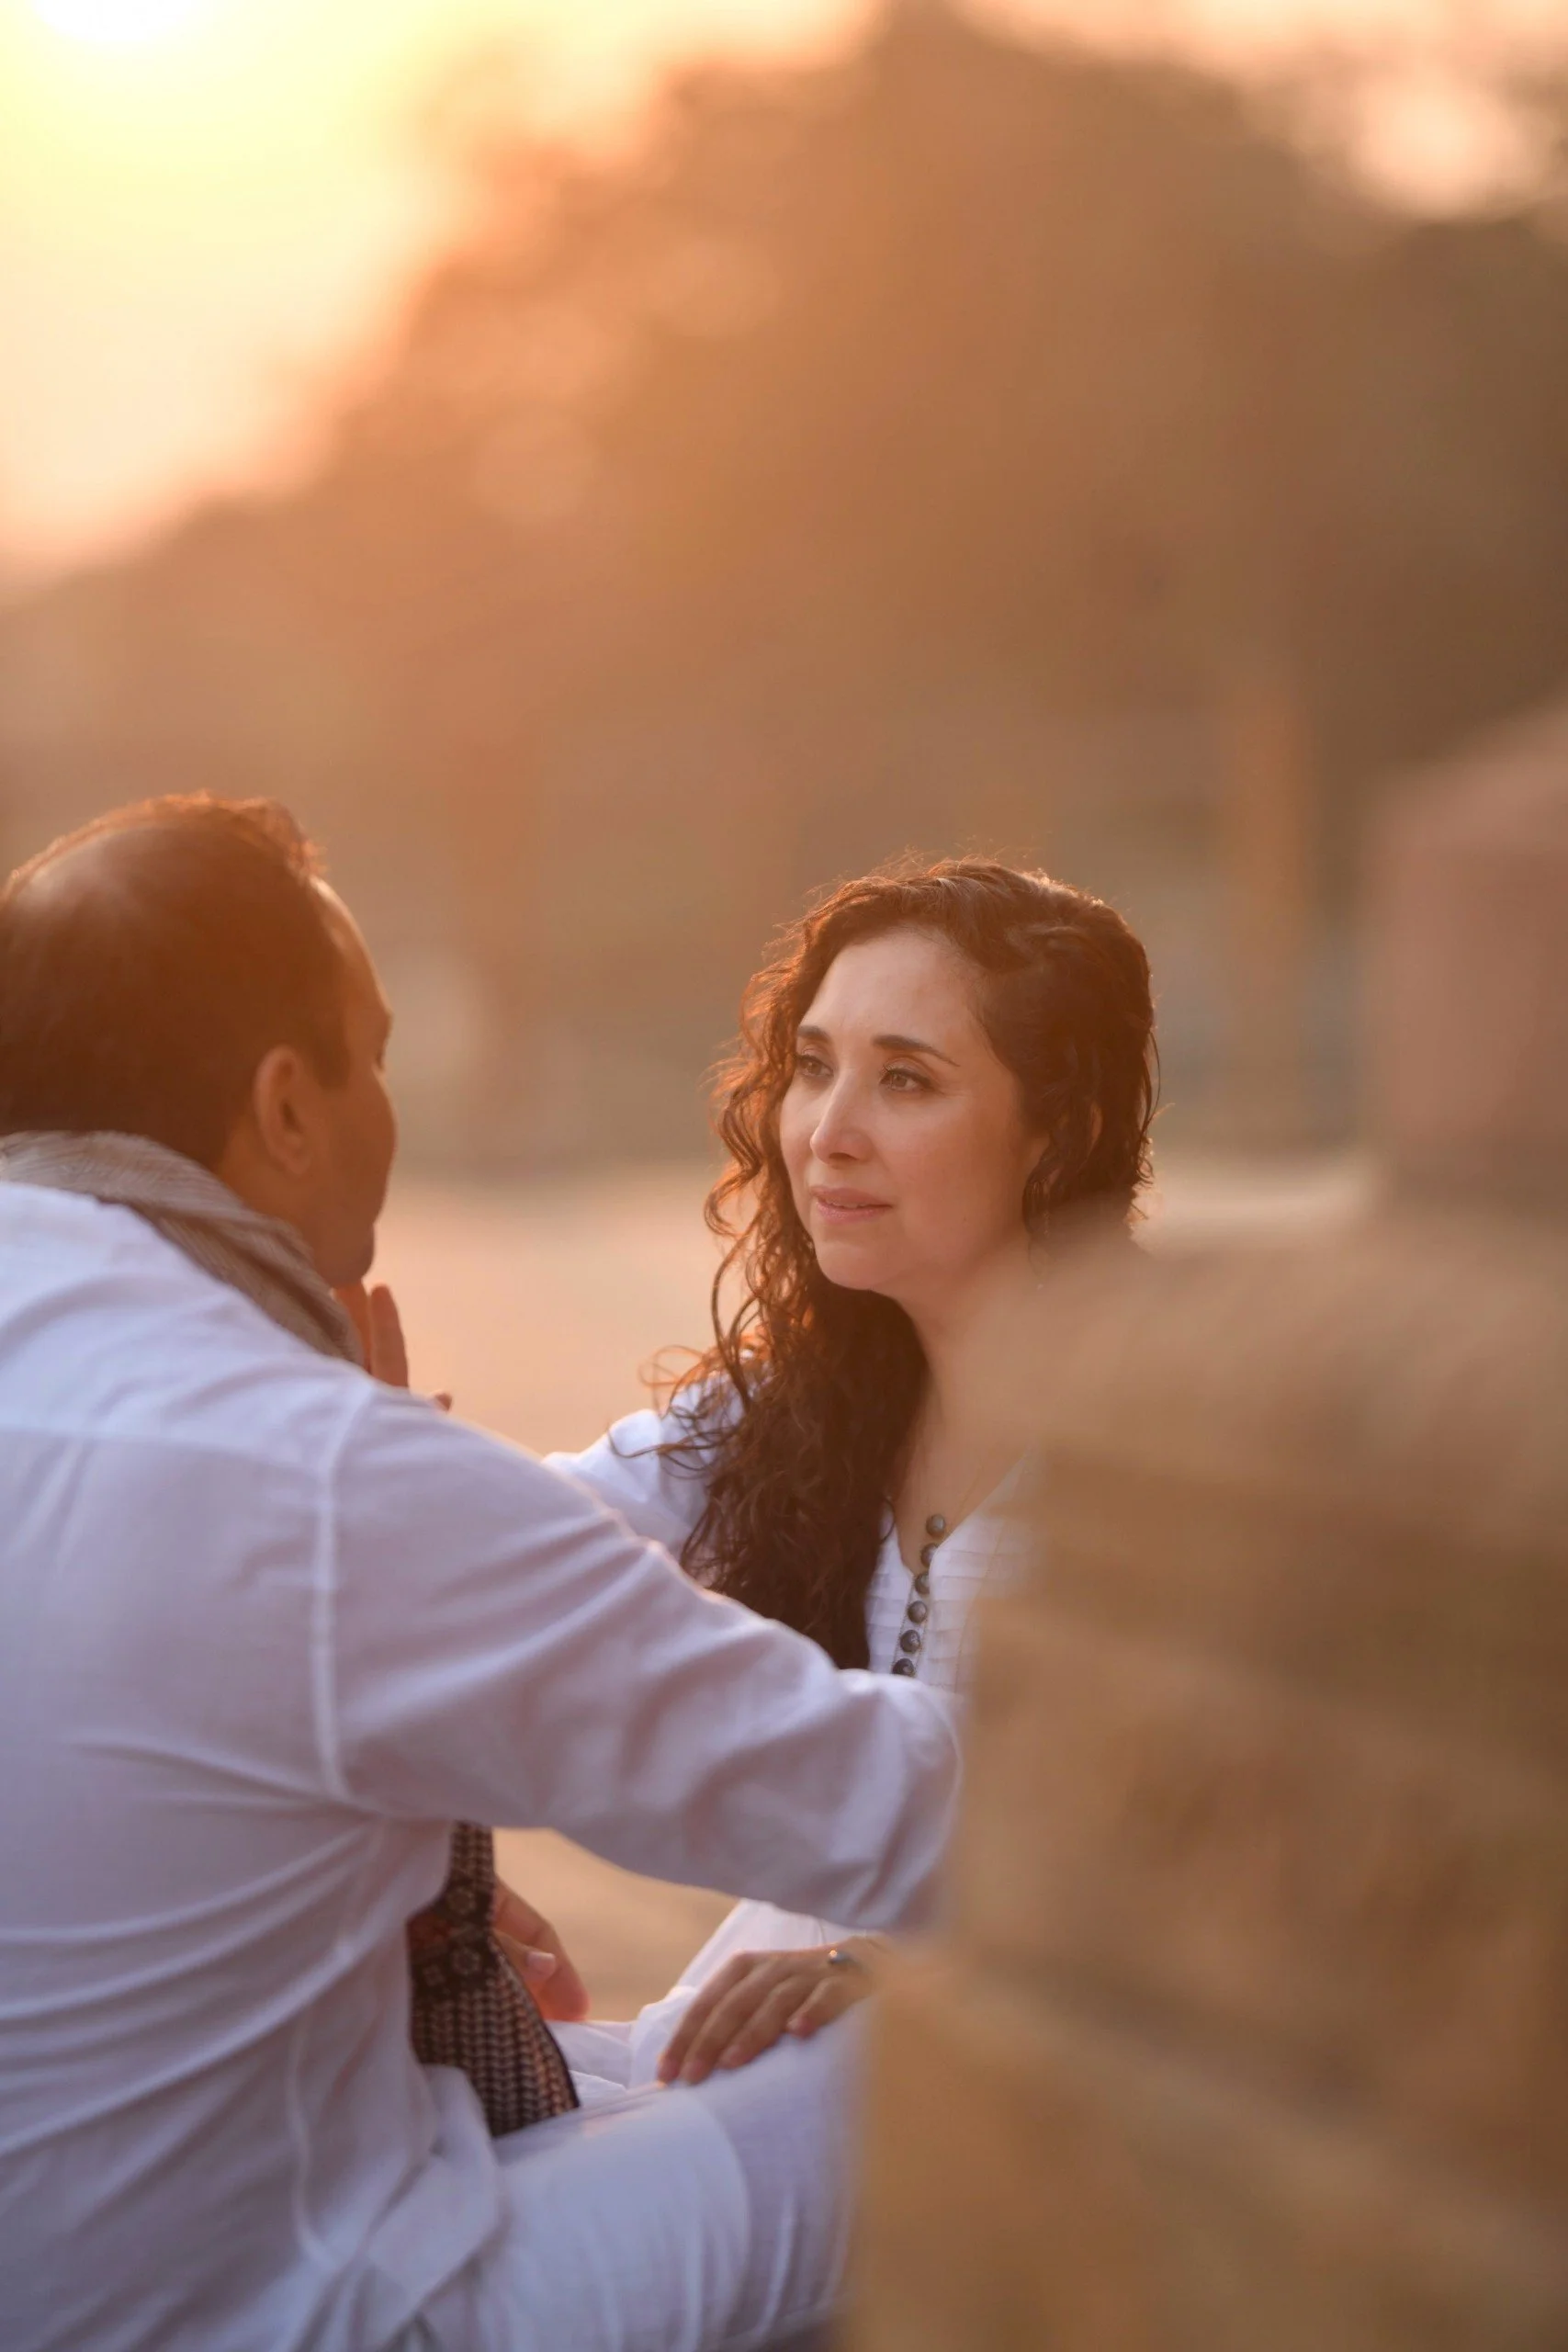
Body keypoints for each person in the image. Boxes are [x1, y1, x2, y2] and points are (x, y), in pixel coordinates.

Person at [0, 797, 963, 2352]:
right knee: (964, 2079)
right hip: (277, 2310)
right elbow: (895, 1808)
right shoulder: (308, 1466)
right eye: (372, 1054)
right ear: (288, 1111)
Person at [546, 859, 1156, 2094]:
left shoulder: (1164, 1430)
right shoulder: (800, 1400)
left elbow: (1204, 1834)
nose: (826, 1133)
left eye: (906, 1080)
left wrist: (903, 1968)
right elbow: (515, 1545)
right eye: (813, 1065)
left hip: (984, 2081)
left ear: (1063, 1129)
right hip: (756, 2048)